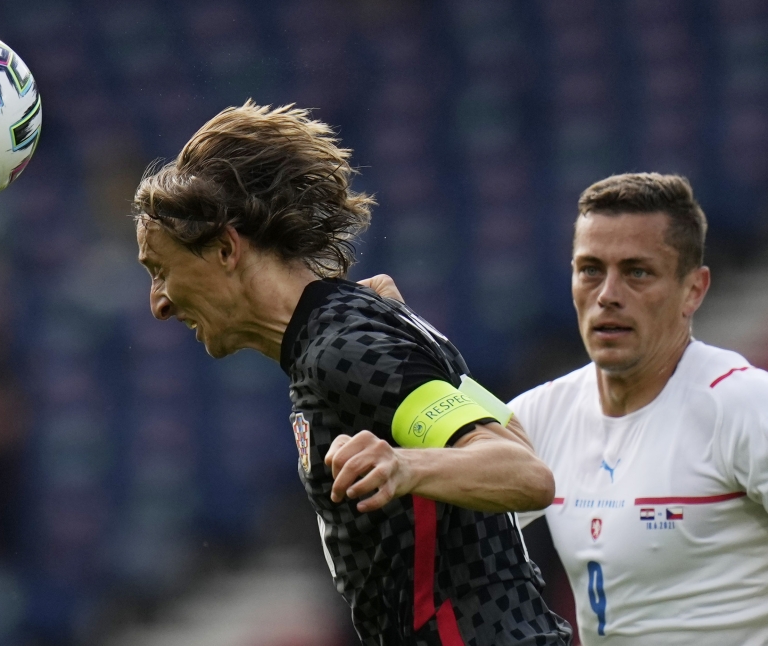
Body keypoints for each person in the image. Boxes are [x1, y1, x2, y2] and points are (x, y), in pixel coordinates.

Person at [132, 101, 572, 645]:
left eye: (160, 271)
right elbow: (514, 443)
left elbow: (526, 476)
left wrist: (403, 466)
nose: (158, 303)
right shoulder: (343, 331)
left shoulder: (340, 349)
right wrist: (429, 343)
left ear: (225, 247)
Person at [366, 174, 768, 646]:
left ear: (694, 290)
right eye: (591, 270)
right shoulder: (544, 412)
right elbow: (437, 520)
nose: (608, 294)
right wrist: (408, 347)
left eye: (637, 272)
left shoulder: (742, 405)